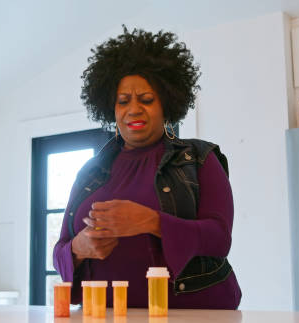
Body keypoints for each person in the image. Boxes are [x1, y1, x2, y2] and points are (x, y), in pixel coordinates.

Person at [53, 26, 241, 309]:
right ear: (111, 108)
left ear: (166, 104)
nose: (134, 110)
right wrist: (79, 248)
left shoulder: (199, 158)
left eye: (147, 99)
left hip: (189, 314)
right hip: (102, 314)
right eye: (123, 101)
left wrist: (151, 221)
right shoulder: (90, 172)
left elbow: (218, 239)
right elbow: (60, 250)